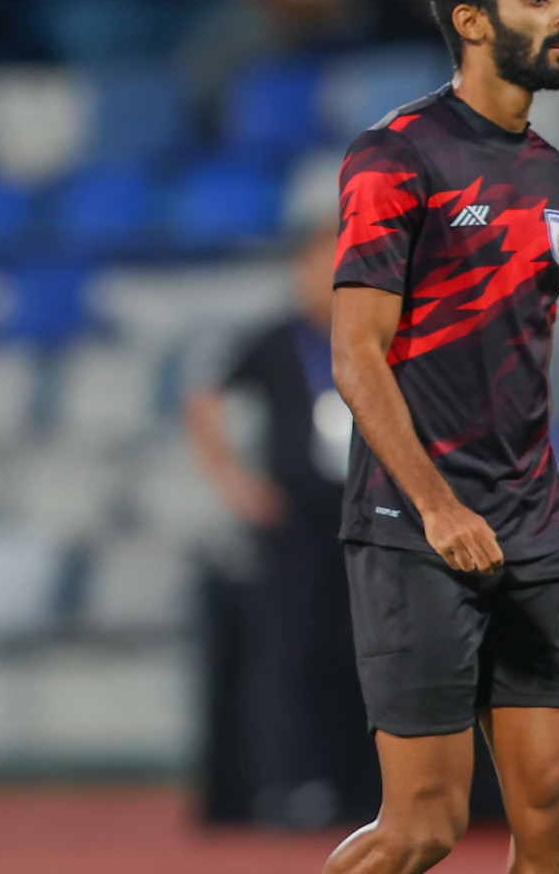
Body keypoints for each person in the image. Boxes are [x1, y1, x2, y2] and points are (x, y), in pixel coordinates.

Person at [324, 0, 559, 874]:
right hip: (414, 522)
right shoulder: (396, 156)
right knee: (425, 827)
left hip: (534, 522)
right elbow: (357, 356)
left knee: (557, 807)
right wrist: (438, 507)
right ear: (472, 21)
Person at [187, 220, 378, 828]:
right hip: (295, 526)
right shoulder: (274, 340)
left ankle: (362, 786)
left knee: (366, 655)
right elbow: (203, 403)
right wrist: (240, 488)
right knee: (293, 655)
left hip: (366, 520)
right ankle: (294, 784)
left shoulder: (369, 338)